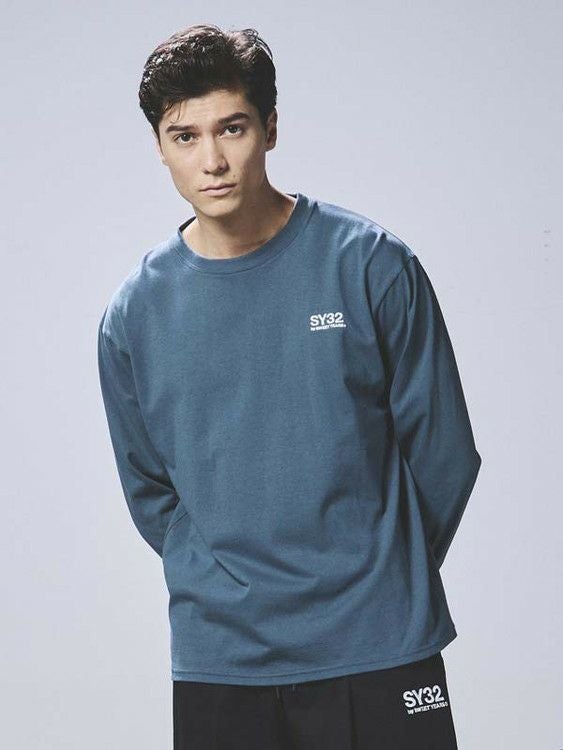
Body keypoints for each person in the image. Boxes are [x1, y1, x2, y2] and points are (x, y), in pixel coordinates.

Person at [97, 23, 482, 750]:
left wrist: (377, 575)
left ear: (270, 128)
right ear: (159, 147)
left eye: (232, 128)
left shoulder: (370, 266)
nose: (212, 160)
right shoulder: (135, 314)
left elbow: (444, 454)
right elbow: (149, 487)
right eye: (185, 136)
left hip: (380, 646)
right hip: (224, 658)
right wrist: (222, 580)